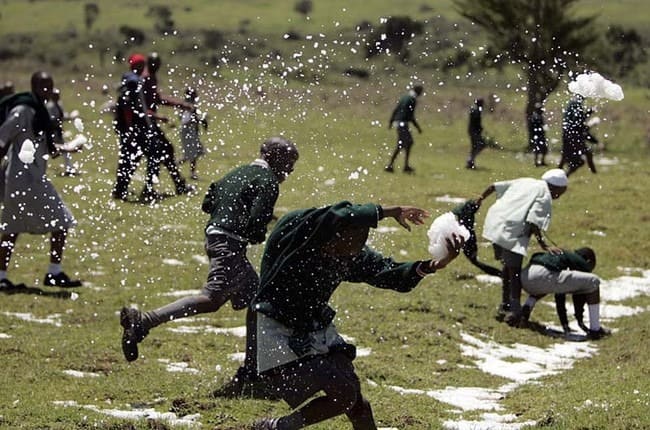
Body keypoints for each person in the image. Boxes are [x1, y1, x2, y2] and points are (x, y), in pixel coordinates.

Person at [249, 201, 463, 430]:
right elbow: (334, 214)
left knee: (356, 400)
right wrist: (388, 211)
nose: (350, 254)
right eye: (347, 245)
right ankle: (276, 427)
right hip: (278, 331)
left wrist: (431, 265)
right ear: (334, 231)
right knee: (344, 393)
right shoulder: (300, 233)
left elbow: (385, 271)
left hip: (314, 328)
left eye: (358, 246)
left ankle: (278, 427)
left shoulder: (349, 251)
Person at [120, 137, 299, 368]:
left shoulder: (237, 172)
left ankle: (255, 365)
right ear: (275, 158)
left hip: (215, 238)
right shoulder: (268, 181)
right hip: (229, 244)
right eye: (289, 164)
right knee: (212, 299)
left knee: (257, 297)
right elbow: (258, 221)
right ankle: (144, 321)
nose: (290, 170)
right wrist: (257, 234)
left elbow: (208, 201)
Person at [0, 71, 82, 290]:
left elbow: (48, 150)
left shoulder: (40, 112)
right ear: (34, 86)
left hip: (30, 178)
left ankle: (2, 277)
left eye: (49, 86)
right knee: (62, 221)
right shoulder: (24, 110)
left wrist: (70, 147)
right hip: (24, 179)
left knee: (12, 228)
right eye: (42, 86)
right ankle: (53, 273)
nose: (46, 90)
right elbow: (2, 138)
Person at [475, 168, 568, 326]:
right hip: (511, 231)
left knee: (507, 267)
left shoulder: (526, 181)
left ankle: (505, 305)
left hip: (495, 223)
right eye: (561, 192)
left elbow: (493, 186)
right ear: (557, 188)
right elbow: (533, 222)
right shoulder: (545, 194)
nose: (558, 196)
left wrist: (480, 198)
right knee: (515, 272)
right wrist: (544, 245)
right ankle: (515, 312)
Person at [520, 247, 611, 340]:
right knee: (593, 281)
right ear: (587, 260)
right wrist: (580, 320)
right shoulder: (579, 261)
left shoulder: (560, 258)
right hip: (543, 276)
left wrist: (564, 324)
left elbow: (559, 293)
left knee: (548, 282)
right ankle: (595, 330)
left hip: (525, 276)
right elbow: (578, 296)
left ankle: (527, 307)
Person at [141, 52, 195, 202]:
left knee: (166, 151)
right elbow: (140, 107)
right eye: (153, 64)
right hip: (144, 125)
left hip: (150, 124)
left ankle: (178, 184)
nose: (156, 67)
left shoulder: (151, 78)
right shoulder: (145, 79)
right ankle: (150, 189)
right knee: (157, 155)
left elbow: (157, 99)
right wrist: (158, 117)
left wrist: (180, 104)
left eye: (157, 65)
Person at [112, 53, 149, 201]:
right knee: (129, 159)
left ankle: (121, 189)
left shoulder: (129, 79)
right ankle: (120, 190)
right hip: (132, 128)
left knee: (129, 158)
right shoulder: (133, 81)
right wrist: (130, 128)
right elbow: (127, 106)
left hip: (130, 127)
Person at [385, 84, 423, 174]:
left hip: (398, 122)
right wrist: (417, 127)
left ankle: (396, 165)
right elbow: (410, 115)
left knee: (404, 143)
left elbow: (396, 109)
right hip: (403, 123)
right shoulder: (412, 99)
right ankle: (395, 165)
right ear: (418, 91)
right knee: (406, 143)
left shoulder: (405, 97)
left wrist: (391, 121)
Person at [558, 95, 597, 177]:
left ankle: (557, 176)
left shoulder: (572, 103)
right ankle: (563, 176)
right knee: (580, 159)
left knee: (565, 156)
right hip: (574, 135)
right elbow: (578, 121)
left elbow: (576, 121)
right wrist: (589, 112)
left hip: (567, 133)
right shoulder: (576, 104)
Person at [45, 88, 76, 176]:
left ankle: (69, 168)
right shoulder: (50, 107)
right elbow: (51, 120)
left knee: (64, 150)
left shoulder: (59, 104)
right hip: (52, 132)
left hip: (58, 131)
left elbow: (62, 115)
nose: (57, 97)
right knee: (49, 149)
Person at [178, 87, 207, 180]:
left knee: (195, 153)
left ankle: (175, 164)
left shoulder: (191, 105)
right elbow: (185, 120)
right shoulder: (187, 106)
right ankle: (191, 173)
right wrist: (199, 120)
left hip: (192, 131)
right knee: (192, 154)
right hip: (188, 132)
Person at [466, 98, 486, 169]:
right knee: (479, 145)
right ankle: (470, 160)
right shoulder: (477, 110)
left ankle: (470, 160)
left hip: (473, 130)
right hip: (474, 131)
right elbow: (476, 122)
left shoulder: (474, 109)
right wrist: (479, 128)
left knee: (475, 146)